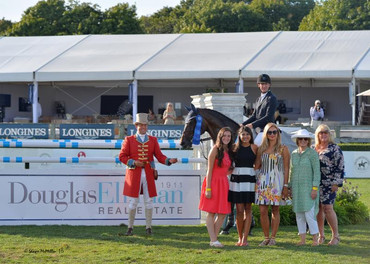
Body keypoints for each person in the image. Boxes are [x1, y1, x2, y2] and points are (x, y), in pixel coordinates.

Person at [119, 113, 178, 236]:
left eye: (145, 125)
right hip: (134, 173)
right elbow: (122, 156)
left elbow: (159, 155)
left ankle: (148, 227)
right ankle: (130, 227)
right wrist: (134, 162)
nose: (143, 127)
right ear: (136, 126)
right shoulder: (128, 140)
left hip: (148, 173)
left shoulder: (153, 140)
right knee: (133, 202)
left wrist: (168, 160)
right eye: (141, 125)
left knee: (149, 200)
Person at [254, 123, 290, 246]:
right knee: (263, 210)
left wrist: (285, 186)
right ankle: (266, 237)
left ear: (278, 133)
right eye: (270, 132)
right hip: (263, 181)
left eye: (275, 132)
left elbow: (286, 168)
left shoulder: (283, 149)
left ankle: (273, 238)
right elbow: (257, 166)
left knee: (275, 209)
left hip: (277, 182)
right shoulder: (261, 149)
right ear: (265, 134)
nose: (272, 134)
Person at [199, 127, 234, 248]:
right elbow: (209, 170)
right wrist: (208, 189)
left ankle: (213, 239)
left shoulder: (228, 151)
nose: (226, 138)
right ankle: (213, 239)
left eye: (229, 136)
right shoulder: (214, 149)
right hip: (213, 183)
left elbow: (224, 169)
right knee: (211, 212)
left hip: (223, 183)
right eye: (224, 135)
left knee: (223, 213)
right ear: (220, 136)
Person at [314, 124, 344, 246]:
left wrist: (336, 183)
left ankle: (336, 236)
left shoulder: (335, 149)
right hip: (316, 183)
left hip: (330, 183)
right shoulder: (313, 148)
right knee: (318, 209)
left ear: (329, 134)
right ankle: (321, 235)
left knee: (328, 208)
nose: (323, 134)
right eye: (321, 132)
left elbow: (340, 166)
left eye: (325, 132)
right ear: (317, 135)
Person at [289, 129, 320, 246]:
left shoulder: (312, 153)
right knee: (299, 214)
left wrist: (315, 188)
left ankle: (315, 239)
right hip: (297, 189)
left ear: (308, 141)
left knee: (309, 214)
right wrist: (290, 187)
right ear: (297, 141)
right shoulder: (294, 154)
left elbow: (317, 172)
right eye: (300, 139)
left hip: (309, 189)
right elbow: (292, 172)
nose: (303, 141)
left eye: (305, 139)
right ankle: (302, 240)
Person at [228, 126, 258, 246]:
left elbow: (258, 164)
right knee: (239, 210)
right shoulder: (234, 148)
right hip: (237, 179)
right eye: (243, 134)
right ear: (239, 136)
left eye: (247, 134)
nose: (245, 137)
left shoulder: (255, 148)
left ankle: (245, 239)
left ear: (251, 136)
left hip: (250, 179)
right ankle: (239, 238)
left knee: (248, 209)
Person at [242, 74, 278, 145]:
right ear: (258, 85)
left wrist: (252, 125)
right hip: (257, 129)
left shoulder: (272, 98)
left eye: (266, 84)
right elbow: (254, 116)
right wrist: (243, 124)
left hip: (266, 129)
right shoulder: (258, 99)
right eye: (262, 84)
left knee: (255, 144)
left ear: (269, 85)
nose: (264, 86)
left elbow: (269, 116)